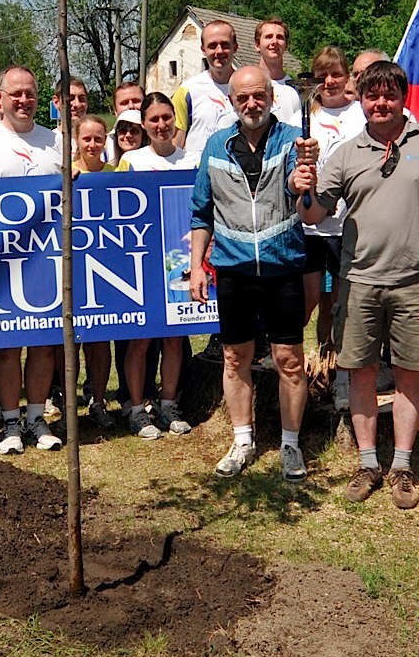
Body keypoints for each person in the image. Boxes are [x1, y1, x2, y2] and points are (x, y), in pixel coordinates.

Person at [298, 59, 419, 510]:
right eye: (372, 95)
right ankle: (368, 463)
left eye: (389, 95)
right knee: (362, 373)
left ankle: (403, 466)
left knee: (410, 374)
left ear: (402, 98)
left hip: (414, 282)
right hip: (358, 281)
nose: (381, 103)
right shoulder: (346, 153)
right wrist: (303, 188)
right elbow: (315, 213)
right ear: (362, 100)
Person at [189, 65, 308, 480]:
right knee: (234, 357)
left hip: (283, 266)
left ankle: (291, 444)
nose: (252, 104)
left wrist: (301, 179)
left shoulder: (294, 140)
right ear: (232, 101)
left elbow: (299, 189)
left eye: (259, 95)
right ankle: (242, 440)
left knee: (288, 360)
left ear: (272, 98)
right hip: (233, 270)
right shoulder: (216, 146)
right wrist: (196, 267)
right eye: (243, 97)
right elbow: (201, 212)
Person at [0, 65, 65, 455]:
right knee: (6, 346)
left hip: (46, 260)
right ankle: (9, 423)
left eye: (30, 93)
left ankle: (36, 418)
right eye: (16, 93)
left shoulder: (56, 141)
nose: (24, 100)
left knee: (43, 344)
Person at [116, 92, 191, 439]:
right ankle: (136, 408)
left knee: (175, 337)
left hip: (179, 261)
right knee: (141, 340)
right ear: (144, 124)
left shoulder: (191, 159)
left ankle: (169, 404)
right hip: (142, 264)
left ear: (174, 119)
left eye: (166, 118)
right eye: (154, 119)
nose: (161, 125)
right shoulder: (132, 161)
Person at [300, 46, 362, 410]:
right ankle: (294, 367)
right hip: (310, 225)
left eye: (336, 74)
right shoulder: (306, 113)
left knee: (339, 305)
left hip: (346, 224)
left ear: (347, 77)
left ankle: (338, 375)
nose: (329, 81)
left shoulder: (359, 114)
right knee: (307, 299)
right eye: (322, 75)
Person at [72, 115, 118, 427]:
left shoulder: (116, 174)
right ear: (76, 140)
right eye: (86, 138)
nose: (92, 144)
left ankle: (98, 401)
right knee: (68, 343)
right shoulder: (64, 173)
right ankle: (66, 403)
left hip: (106, 265)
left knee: (100, 342)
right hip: (72, 266)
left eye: (98, 138)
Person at [172, 20, 238, 163]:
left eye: (225, 45)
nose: (219, 51)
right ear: (203, 49)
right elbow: (175, 144)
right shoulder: (187, 90)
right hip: (198, 172)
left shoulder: (249, 88)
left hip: (237, 171)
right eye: (212, 46)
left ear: (235, 47)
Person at [254, 17, 302, 125]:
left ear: (286, 45)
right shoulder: (248, 86)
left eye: (280, 37)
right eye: (268, 37)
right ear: (257, 45)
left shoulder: (296, 89)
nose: (274, 41)